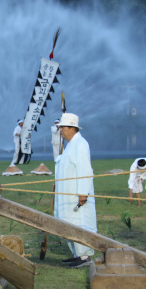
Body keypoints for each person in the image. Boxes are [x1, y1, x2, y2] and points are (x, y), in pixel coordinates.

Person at [54, 113, 96, 268]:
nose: (61, 130)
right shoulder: (71, 144)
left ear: (72, 128)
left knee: (79, 223)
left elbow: (85, 170)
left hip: (76, 194)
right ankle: (76, 254)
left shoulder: (81, 144)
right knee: (68, 222)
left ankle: (84, 256)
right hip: (66, 192)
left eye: (63, 127)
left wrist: (83, 193)